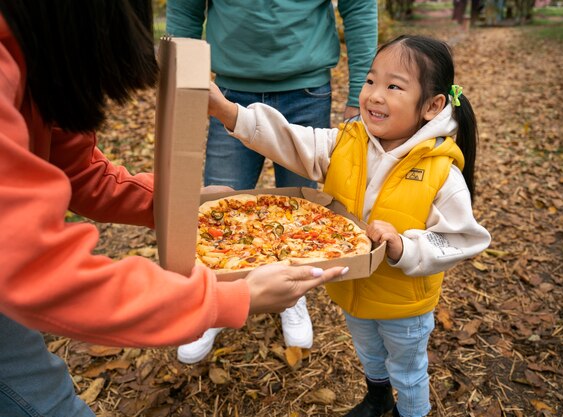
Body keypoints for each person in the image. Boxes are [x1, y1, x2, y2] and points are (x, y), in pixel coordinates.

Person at [0, 1, 348, 416]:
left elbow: (77, 172)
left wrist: (181, 201)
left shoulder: (39, 60)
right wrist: (225, 299)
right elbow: (33, 271)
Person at [206, 34, 492, 417]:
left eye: (393, 86)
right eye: (371, 80)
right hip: (353, 292)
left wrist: (404, 246)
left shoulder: (440, 171)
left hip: (403, 304)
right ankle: (376, 398)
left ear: (432, 106)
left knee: (407, 371)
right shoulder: (347, 141)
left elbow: (462, 239)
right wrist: (229, 112)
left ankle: (412, 410)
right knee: (369, 353)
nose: (374, 94)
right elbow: (291, 140)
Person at [166, 0, 378, 364]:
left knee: (303, 217)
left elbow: (359, 7)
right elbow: (184, 9)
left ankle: (292, 297)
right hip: (227, 90)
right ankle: (214, 302)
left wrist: (360, 89)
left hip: (307, 90)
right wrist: (181, 80)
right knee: (219, 211)